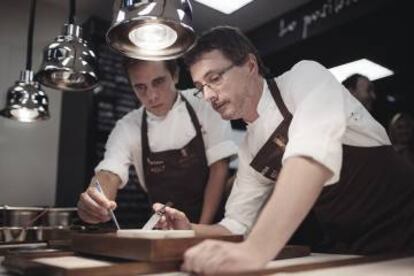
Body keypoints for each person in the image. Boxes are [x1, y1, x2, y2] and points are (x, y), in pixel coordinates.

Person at [152, 26, 414, 274]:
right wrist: (190, 230)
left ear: (250, 66)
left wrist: (254, 251)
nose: (208, 96)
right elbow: (236, 224)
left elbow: (311, 159)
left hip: (406, 228)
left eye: (214, 79)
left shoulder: (304, 78)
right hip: (354, 249)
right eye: (200, 88)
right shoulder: (249, 150)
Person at [77, 59, 237, 226]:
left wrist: (199, 230)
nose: (151, 96)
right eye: (140, 87)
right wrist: (96, 198)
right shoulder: (128, 126)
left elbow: (219, 169)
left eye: (158, 82)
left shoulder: (204, 104)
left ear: (174, 75)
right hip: (163, 227)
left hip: (212, 225)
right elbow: (110, 172)